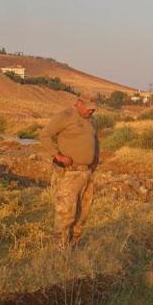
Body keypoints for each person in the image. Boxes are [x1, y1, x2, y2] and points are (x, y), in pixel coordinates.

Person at [39, 97, 99, 247]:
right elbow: (44, 135)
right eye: (88, 107)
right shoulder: (65, 116)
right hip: (69, 173)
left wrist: (95, 159)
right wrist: (58, 156)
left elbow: (95, 140)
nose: (91, 110)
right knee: (66, 213)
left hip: (87, 173)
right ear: (79, 103)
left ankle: (74, 245)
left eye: (93, 108)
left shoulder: (91, 120)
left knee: (83, 213)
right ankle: (60, 250)